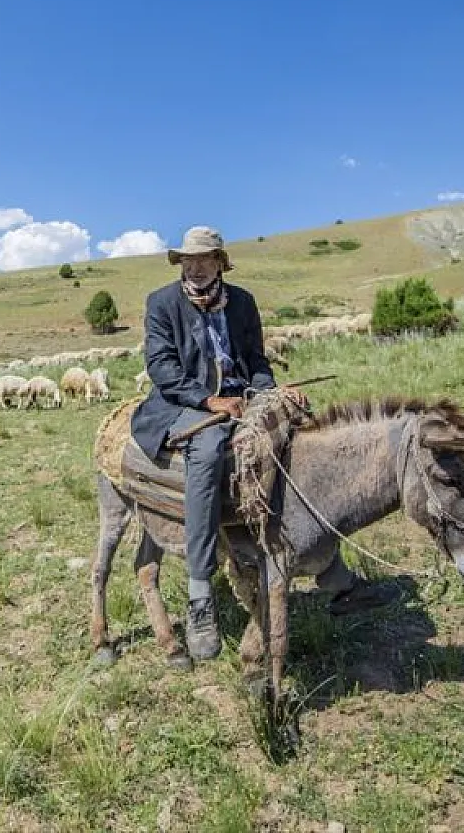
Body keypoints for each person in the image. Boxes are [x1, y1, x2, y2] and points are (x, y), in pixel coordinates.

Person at [130, 225, 278, 662]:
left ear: (219, 262)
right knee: (210, 447)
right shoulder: (162, 303)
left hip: (240, 397)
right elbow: (162, 368)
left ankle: (329, 570)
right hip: (184, 402)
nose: (194, 268)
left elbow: (256, 361)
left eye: (203, 259)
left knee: (294, 434)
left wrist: (268, 394)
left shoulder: (242, 302)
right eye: (187, 260)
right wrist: (209, 400)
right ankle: (200, 593)